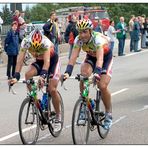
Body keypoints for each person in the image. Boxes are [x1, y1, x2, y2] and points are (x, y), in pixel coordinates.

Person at [63, 19, 113, 130]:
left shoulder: (97, 39)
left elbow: (100, 59)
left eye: (85, 31)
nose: (82, 35)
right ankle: (85, 103)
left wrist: (97, 73)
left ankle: (108, 113)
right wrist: (67, 72)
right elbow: (73, 57)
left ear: (90, 31)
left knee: (102, 86)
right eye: (80, 32)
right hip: (91, 57)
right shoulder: (78, 40)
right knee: (83, 74)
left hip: (105, 59)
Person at [9, 28, 62, 132]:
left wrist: (42, 77)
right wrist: (15, 77)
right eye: (34, 47)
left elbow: (47, 62)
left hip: (52, 62)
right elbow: (19, 61)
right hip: (39, 61)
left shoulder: (46, 42)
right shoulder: (25, 42)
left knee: (52, 89)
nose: (36, 50)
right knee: (28, 74)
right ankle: (34, 98)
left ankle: (58, 117)